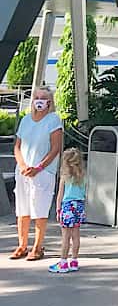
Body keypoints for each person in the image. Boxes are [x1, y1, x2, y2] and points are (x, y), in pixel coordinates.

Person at [10, 88, 63, 262]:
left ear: (49, 102)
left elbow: (55, 148)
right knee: (22, 209)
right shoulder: (25, 120)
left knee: (39, 210)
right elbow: (18, 146)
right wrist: (23, 165)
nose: (39, 101)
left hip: (43, 173)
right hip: (23, 171)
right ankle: (22, 245)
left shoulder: (53, 120)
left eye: (43, 98)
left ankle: (38, 247)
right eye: (36, 98)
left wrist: (39, 167)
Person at [49, 147, 86, 274]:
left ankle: (63, 262)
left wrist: (58, 209)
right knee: (76, 235)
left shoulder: (65, 177)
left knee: (65, 236)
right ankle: (74, 261)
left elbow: (60, 195)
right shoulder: (82, 176)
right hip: (79, 206)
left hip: (67, 206)